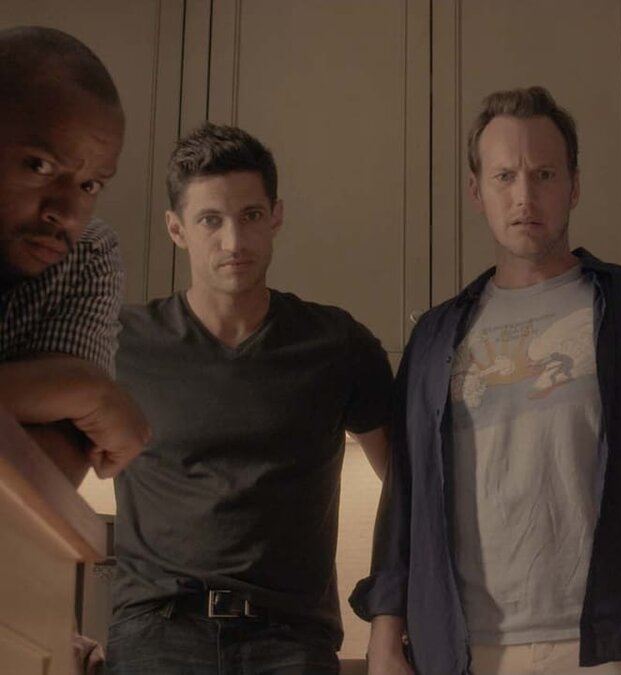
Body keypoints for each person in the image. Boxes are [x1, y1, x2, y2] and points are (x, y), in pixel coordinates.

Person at [352, 86, 621, 675]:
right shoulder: (434, 337)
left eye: (544, 174)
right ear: (477, 191)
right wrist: (384, 635)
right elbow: (406, 497)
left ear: (573, 185)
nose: (524, 195)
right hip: (466, 649)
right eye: (504, 176)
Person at [105, 123, 393, 674]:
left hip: (292, 642)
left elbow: (407, 489)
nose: (234, 242)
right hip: (156, 637)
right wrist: (48, 614)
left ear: (276, 216)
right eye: (210, 220)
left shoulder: (336, 344)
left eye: (251, 215)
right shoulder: (122, 343)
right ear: (176, 228)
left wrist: (388, 618)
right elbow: (40, 473)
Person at [0, 25, 149, 485]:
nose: (65, 214)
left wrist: (74, 392)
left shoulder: (85, 257)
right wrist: (82, 392)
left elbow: (40, 480)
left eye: (90, 185)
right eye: (39, 165)